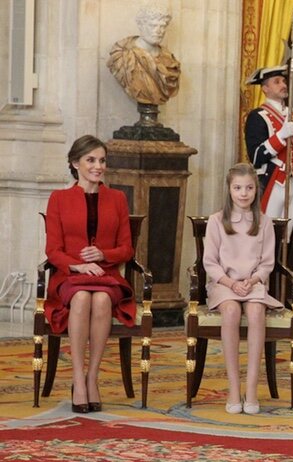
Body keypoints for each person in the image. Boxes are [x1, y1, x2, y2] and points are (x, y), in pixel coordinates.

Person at [45, 135, 137, 414]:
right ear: (75, 164)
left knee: (100, 301)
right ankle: (77, 379)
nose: (98, 166)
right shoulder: (58, 199)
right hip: (70, 277)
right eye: (91, 160)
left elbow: (127, 249)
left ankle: (92, 378)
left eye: (102, 160)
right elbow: (53, 250)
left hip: (107, 276)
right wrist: (78, 265)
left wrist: (103, 255)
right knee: (83, 298)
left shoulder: (117, 198)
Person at [202, 163, 284, 414]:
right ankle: (234, 389)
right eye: (237, 188)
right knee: (230, 312)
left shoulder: (265, 223)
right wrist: (231, 283)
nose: (243, 193)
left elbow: (267, 263)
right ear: (229, 190)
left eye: (249, 188)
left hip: (253, 284)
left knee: (257, 312)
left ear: (255, 191)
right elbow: (210, 263)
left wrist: (253, 280)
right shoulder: (216, 221)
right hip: (224, 284)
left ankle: (252, 389)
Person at [245, 65, 293, 237]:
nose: (283, 85)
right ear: (265, 88)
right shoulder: (258, 116)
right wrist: (280, 137)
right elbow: (256, 157)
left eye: (284, 81)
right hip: (272, 180)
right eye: (277, 82)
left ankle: (280, 265)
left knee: (286, 238)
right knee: (265, 235)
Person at [106, 4, 181, 105]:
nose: (159, 31)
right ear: (141, 26)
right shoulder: (122, 56)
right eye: (153, 26)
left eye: (162, 26)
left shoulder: (170, 61)